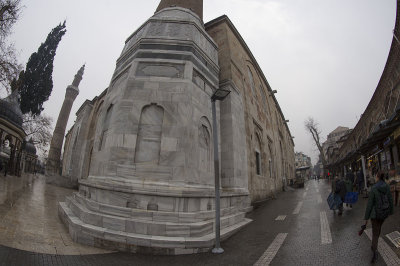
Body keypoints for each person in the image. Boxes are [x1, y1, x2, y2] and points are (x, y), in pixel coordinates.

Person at [363, 172, 394, 263]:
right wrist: (391, 211)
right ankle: (374, 246)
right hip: (384, 213)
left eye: (376, 176)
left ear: (377, 177)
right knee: (378, 229)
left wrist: (366, 218)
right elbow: (390, 199)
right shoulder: (387, 186)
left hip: (375, 214)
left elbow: (369, 205)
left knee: (375, 233)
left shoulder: (374, 188)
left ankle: (374, 250)